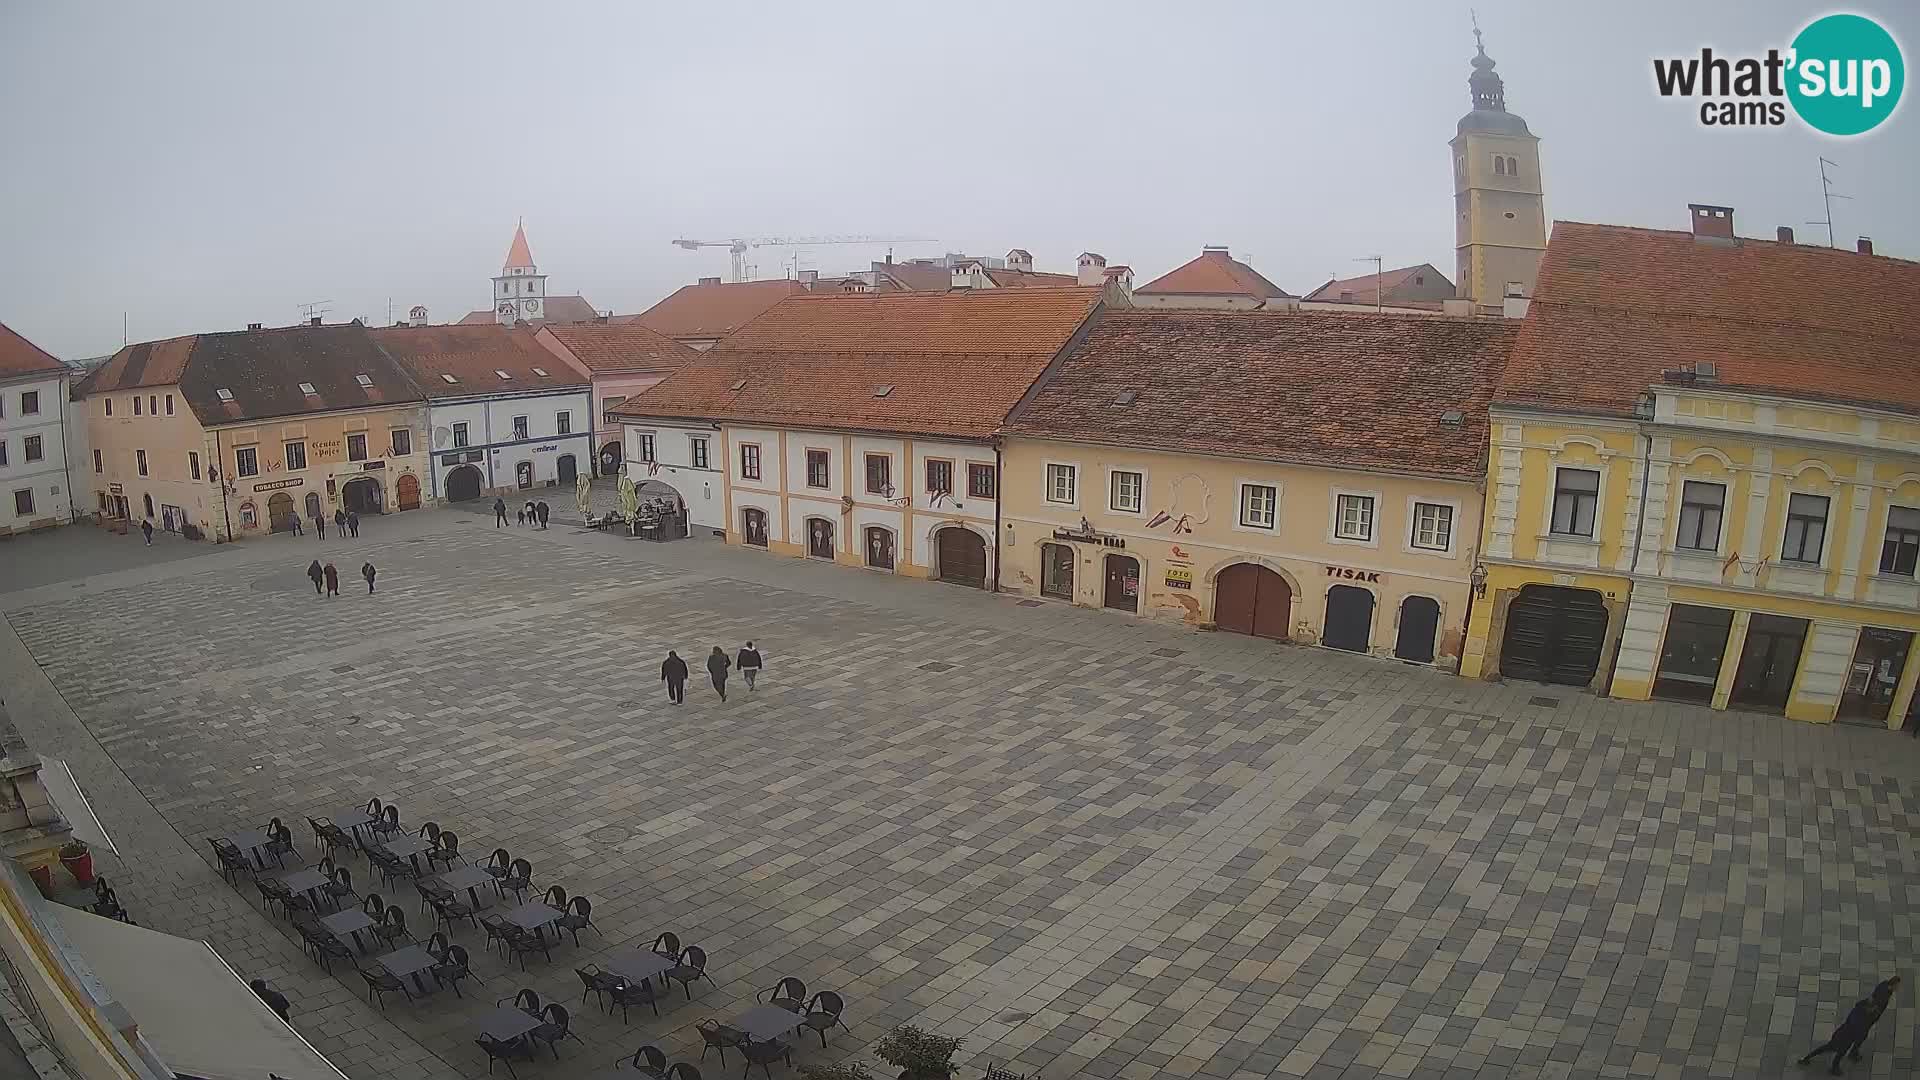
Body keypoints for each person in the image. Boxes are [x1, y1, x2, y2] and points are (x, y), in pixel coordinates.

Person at [1800, 996, 1877, 1074]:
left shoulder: (1860, 1009)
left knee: (1831, 1048)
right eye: (1872, 1008)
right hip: (1845, 1036)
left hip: (1843, 1034)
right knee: (1838, 1051)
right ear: (1867, 1008)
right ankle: (1833, 1068)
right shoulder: (1860, 1016)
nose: (1873, 1010)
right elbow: (1857, 1027)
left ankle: (1808, 1058)